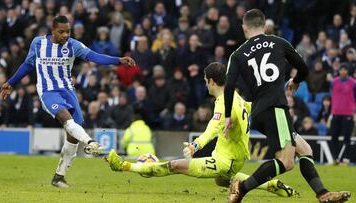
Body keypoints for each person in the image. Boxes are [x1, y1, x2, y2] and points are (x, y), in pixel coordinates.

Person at [105, 62, 298, 198]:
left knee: (174, 166)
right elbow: (251, 106)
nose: (205, 84)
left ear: (212, 81)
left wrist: (194, 146)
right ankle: (272, 185)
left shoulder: (224, 103)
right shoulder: (236, 97)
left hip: (225, 160)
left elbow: (212, 129)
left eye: (206, 80)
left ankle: (124, 166)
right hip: (234, 158)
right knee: (222, 182)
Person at [223, 9, 351, 203]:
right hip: (275, 107)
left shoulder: (237, 54)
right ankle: (241, 188)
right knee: (286, 161)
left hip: (258, 112)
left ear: (244, 28)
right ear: (264, 26)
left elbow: (229, 86)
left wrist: (227, 116)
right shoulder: (278, 42)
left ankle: (323, 194)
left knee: (305, 150)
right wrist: (296, 80)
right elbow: (304, 68)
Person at [0, 16, 135, 188]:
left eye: (67, 31)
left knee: (72, 135)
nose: (65, 35)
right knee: (66, 118)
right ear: (53, 30)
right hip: (48, 91)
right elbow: (28, 64)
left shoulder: (73, 45)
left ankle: (59, 177)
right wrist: (10, 82)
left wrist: (118, 60)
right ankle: (91, 143)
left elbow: (94, 57)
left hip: (67, 90)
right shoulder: (38, 43)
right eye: (61, 31)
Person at [330, 66, 355, 164]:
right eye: (341, 69)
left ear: (348, 71)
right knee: (333, 137)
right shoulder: (334, 82)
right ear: (339, 70)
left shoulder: (353, 83)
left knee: (347, 137)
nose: (343, 71)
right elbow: (331, 94)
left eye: (345, 69)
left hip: (348, 113)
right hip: (336, 113)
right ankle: (335, 158)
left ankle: (346, 159)